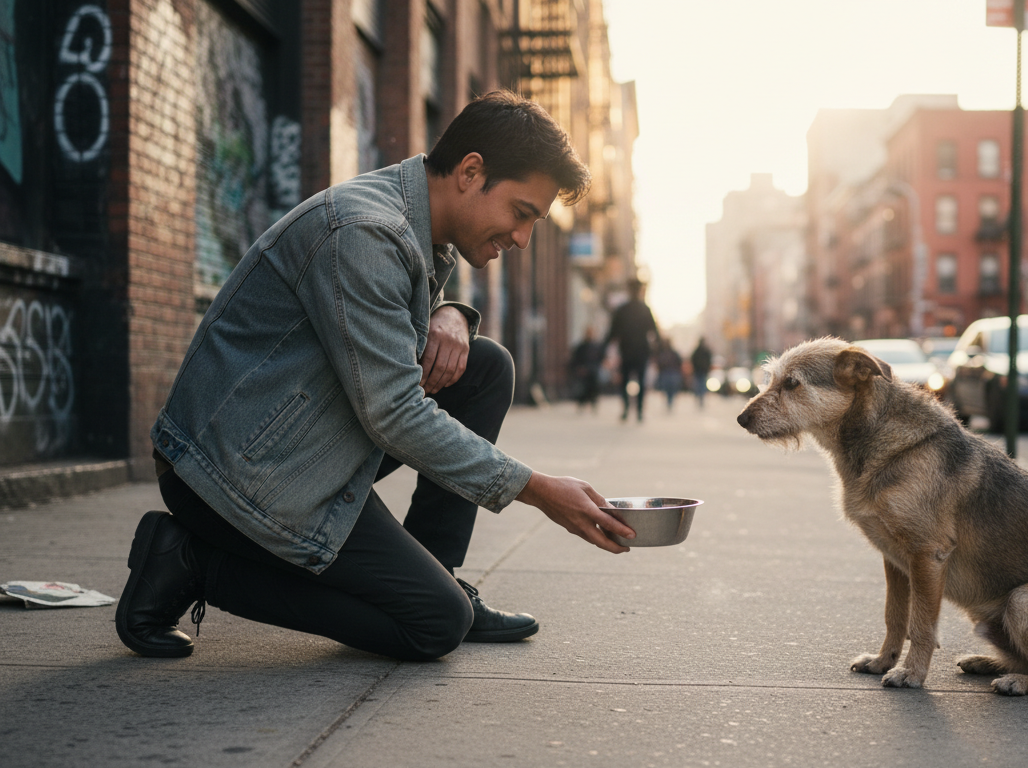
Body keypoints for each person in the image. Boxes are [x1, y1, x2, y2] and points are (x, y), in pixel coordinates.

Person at [116, 91, 636, 662]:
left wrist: (452, 312)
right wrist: (536, 490)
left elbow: (379, 328)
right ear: (470, 172)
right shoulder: (363, 231)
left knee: (484, 367)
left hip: (292, 442)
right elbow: (394, 413)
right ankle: (190, 563)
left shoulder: (411, 221)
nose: (522, 238)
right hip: (230, 476)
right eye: (521, 213)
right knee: (434, 624)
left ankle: (440, 572)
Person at [604, 279, 660, 422]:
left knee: (626, 381)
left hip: (628, 351)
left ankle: (628, 409)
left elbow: (612, 333)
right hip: (639, 351)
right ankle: (638, 410)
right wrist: (656, 352)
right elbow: (654, 333)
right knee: (639, 381)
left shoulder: (623, 309)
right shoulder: (644, 309)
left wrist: (604, 349)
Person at [569, 326, 604, 413]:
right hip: (584, 370)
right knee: (582, 389)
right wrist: (579, 368)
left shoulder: (597, 346)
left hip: (594, 370)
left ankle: (593, 404)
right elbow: (575, 359)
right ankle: (581, 403)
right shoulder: (581, 346)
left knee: (594, 388)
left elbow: (601, 358)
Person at [655, 340, 684, 413]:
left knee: (670, 388)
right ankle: (669, 401)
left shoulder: (664, 353)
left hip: (670, 372)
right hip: (669, 372)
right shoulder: (669, 353)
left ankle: (669, 401)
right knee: (669, 388)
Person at [690, 337, 712, 410]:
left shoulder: (700, 351)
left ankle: (700, 397)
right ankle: (700, 398)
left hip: (701, 371)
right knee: (700, 385)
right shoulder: (702, 351)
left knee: (700, 385)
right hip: (700, 371)